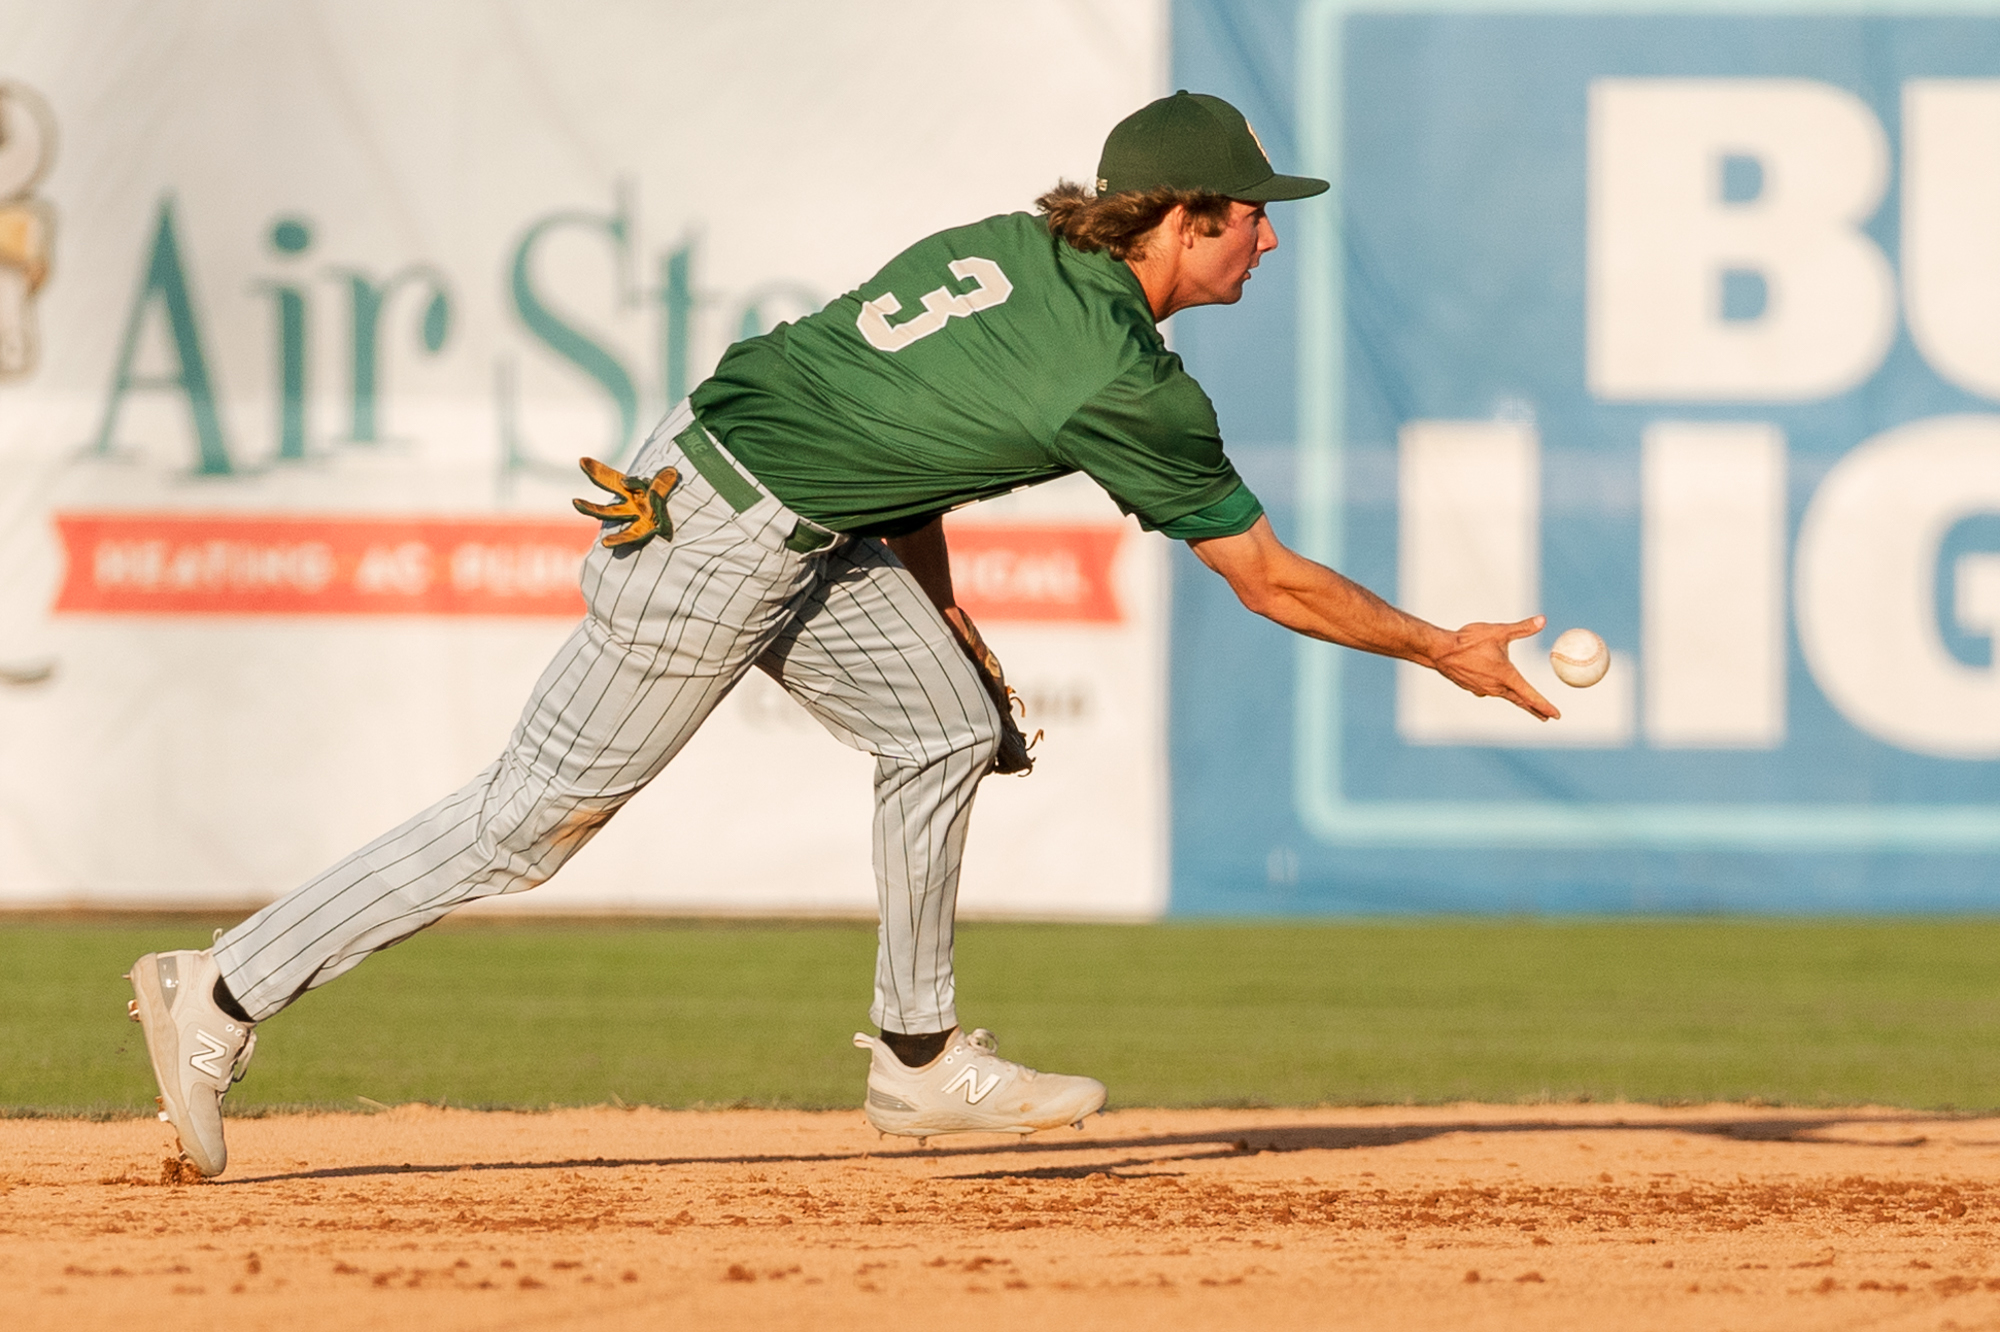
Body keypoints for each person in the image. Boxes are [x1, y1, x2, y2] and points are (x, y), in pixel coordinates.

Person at [126, 91, 1556, 1177]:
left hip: (749, 488)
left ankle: (920, 1057)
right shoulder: (1129, 384)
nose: (1270, 234)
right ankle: (224, 985)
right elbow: (1271, 579)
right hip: (720, 536)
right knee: (527, 824)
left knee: (947, 724)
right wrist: (1444, 649)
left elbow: (895, 439)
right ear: (1182, 219)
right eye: (1250, 211)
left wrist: (940, 613)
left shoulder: (1012, 250)